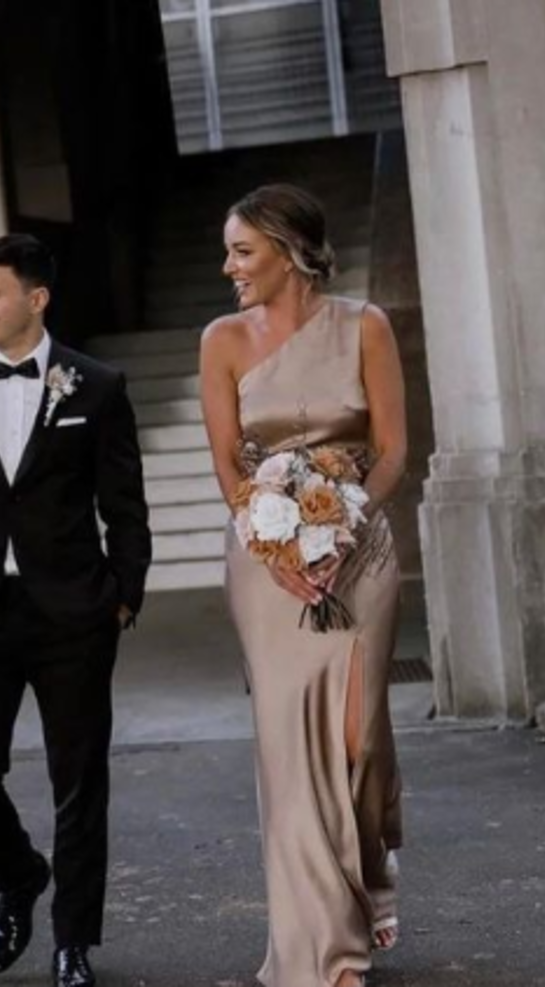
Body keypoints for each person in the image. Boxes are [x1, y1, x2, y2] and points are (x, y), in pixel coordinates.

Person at [0, 234, 151, 987]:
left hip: (74, 611)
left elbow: (125, 505)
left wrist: (124, 596)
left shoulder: (98, 385)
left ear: (35, 299)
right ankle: (18, 874)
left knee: (80, 780)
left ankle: (74, 941)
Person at [198, 184, 407, 987]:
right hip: (266, 563)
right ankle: (326, 953)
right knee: (290, 753)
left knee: (359, 739)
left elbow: (390, 449)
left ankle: (371, 869)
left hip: (361, 551)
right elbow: (227, 465)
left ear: (290, 251)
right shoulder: (221, 339)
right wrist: (274, 541)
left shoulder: (366, 326)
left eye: (243, 251)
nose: (229, 267)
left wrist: (348, 520)